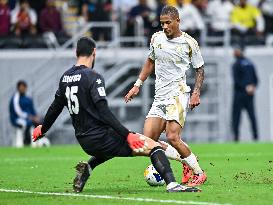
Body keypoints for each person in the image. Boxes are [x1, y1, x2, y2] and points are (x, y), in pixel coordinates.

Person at [32, 36, 201, 193]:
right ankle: (172, 184)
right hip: (100, 135)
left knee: (110, 148)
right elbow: (104, 112)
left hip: (84, 141)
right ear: (94, 52)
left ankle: (88, 168)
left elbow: (55, 107)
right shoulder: (93, 77)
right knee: (154, 146)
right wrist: (128, 135)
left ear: (76, 53)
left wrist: (43, 128)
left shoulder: (65, 78)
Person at [125, 6, 207, 187]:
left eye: (168, 22)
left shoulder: (189, 42)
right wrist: (137, 85)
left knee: (172, 136)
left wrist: (196, 92)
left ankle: (199, 173)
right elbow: (150, 61)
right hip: (160, 95)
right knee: (148, 142)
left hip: (178, 93)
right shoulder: (156, 38)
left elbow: (199, 69)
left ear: (178, 21)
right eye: (162, 23)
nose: (165, 27)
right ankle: (186, 159)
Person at [9, 80, 49, 147]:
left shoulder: (28, 98)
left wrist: (36, 117)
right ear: (18, 88)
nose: (23, 88)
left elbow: (32, 110)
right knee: (29, 123)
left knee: (41, 121)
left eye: (24, 87)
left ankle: (38, 142)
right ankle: (22, 143)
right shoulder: (15, 98)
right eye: (21, 87)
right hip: (17, 119)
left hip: (29, 118)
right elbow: (18, 112)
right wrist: (30, 117)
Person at [232, 46, 259, 141]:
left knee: (236, 117)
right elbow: (256, 79)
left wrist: (246, 87)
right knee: (252, 116)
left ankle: (236, 138)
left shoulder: (236, 64)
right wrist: (252, 86)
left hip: (239, 94)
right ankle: (256, 137)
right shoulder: (250, 63)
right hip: (249, 94)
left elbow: (236, 81)